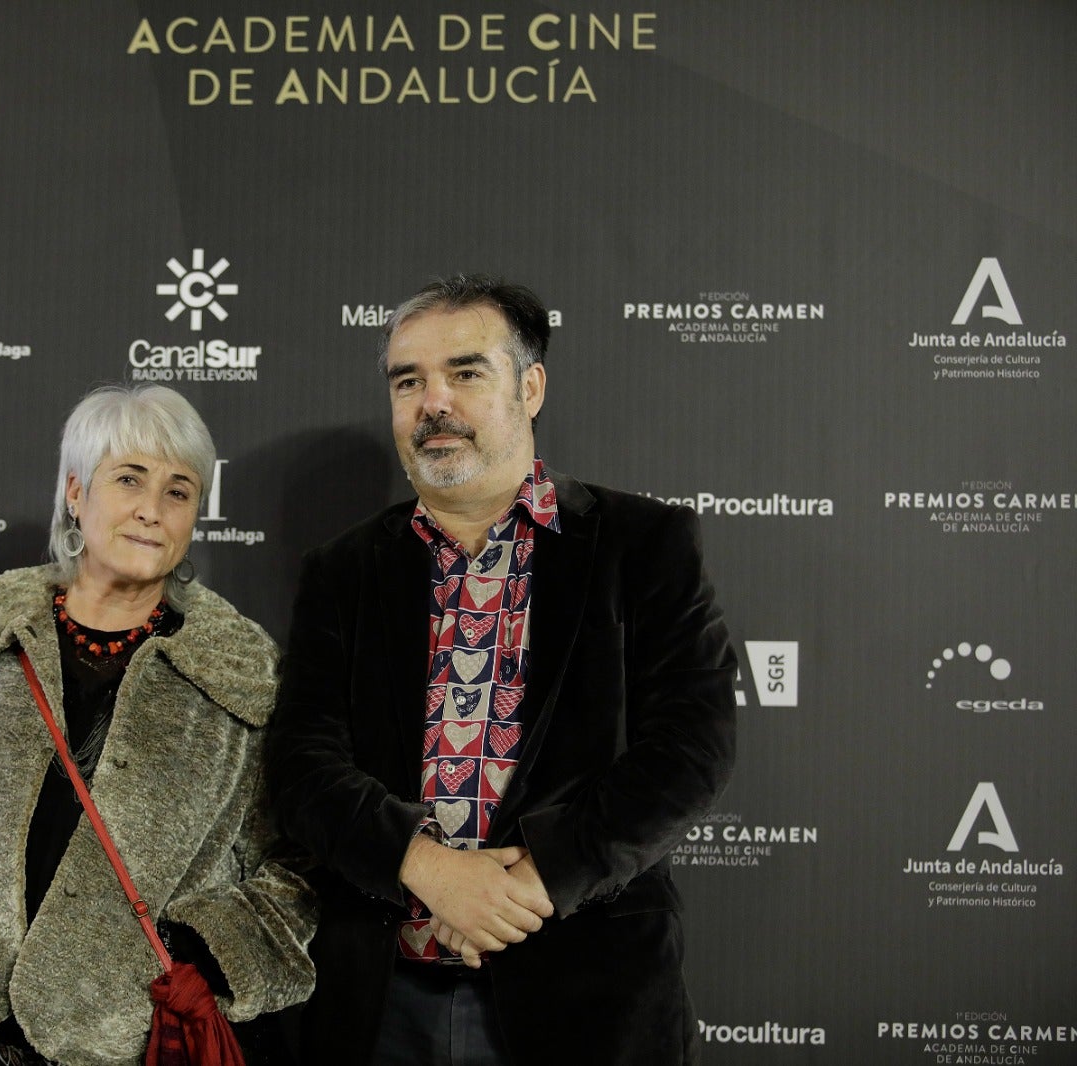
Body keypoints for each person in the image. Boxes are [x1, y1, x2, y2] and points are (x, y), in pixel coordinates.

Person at [267, 275, 736, 1065]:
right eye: (408, 381)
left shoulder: (643, 544)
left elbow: (691, 750)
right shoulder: (343, 570)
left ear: (531, 385)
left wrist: (533, 881)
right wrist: (427, 868)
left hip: (585, 993)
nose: (432, 402)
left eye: (466, 372)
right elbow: (300, 763)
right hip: (378, 1004)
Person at [0, 384, 315, 1066]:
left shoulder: (241, 675)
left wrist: (205, 955)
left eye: (178, 491)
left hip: (133, 1042)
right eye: (129, 480)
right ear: (77, 493)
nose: (152, 509)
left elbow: (297, 863)